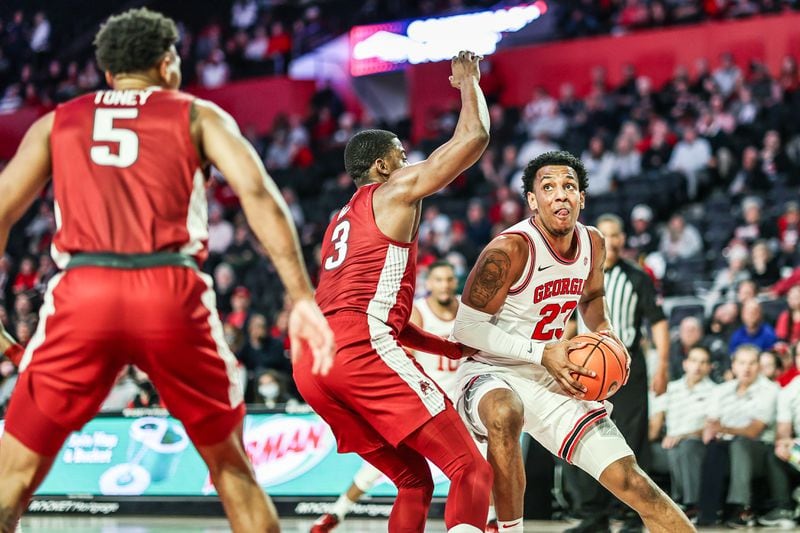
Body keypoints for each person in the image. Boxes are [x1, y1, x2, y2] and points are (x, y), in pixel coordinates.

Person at [0, 9, 335, 533]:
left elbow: (1, 209)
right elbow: (258, 193)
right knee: (232, 470)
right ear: (168, 64)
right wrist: (301, 296)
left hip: (82, 292)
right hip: (170, 290)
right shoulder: (198, 114)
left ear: (109, 74)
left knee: (13, 477)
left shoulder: (57, 120)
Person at [293, 51, 494, 533]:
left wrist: (448, 346)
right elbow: (474, 137)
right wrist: (468, 83)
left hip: (312, 364)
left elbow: (380, 313)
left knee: (413, 482)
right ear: (383, 165)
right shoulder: (394, 191)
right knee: (471, 469)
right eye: (404, 157)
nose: (412, 165)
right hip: (360, 349)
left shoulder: (338, 222)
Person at [451, 151, 693, 533]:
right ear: (532, 200)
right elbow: (464, 330)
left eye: (569, 187)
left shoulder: (594, 242)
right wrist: (540, 352)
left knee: (632, 482)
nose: (560, 195)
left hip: (554, 373)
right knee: (503, 411)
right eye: (548, 187)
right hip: (489, 370)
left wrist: (605, 333)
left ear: (582, 197)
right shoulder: (509, 249)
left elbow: (592, 298)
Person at [311, 261, 498, 532]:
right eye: (439, 279)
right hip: (423, 398)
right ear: (429, 284)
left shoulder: (467, 309)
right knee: (395, 470)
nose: (444, 284)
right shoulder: (419, 311)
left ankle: (492, 519)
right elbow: (403, 353)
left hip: (463, 399)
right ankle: (337, 512)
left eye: (448, 279)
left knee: (482, 463)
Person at [564, 212, 671, 533]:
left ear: (623, 240)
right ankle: (593, 514)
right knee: (580, 436)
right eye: (605, 234)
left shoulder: (638, 277)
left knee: (630, 440)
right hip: (584, 369)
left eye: (616, 234)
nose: (611, 240)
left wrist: (662, 364)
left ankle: (629, 516)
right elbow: (568, 322)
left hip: (627, 367)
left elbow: (658, 322)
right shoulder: (579, 274)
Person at [701, 345, 789, 528]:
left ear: (759, 366)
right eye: (741, 363)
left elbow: (753, 431)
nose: (746, 368)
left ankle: (741, 507)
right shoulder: (721, 390)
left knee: (740, 443)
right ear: (733, 366)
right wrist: (716, 431)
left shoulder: (770, 389)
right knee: (711, 447)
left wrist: (723, 428)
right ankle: (705, 510)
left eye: (752, 363)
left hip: (760, 450)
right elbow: (709, 428)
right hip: (727, 446)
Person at [650, 346, 717, 521]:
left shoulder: (715, 391)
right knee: (641, 451)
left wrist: (682, 436)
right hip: (669, 446)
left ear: (709, 367)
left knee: (685, 447)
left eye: (703, 362)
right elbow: (656, 422)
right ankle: (632, 507)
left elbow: (712, 428)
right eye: (694, 361)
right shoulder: (671, 388)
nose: (698, 366)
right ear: (685, 364)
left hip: (697, 445)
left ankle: (689, 504)